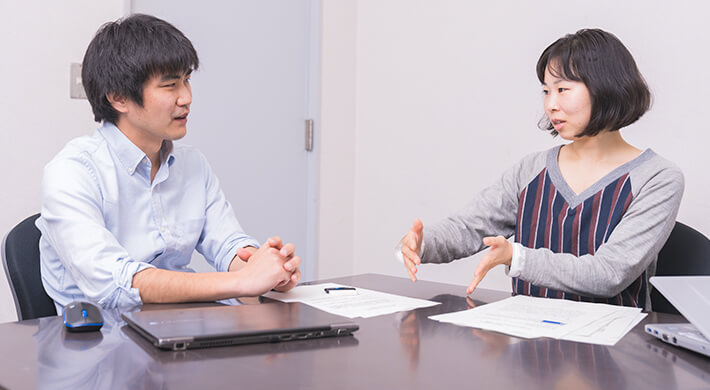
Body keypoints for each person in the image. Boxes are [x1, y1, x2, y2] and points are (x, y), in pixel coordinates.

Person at [398, 29, 684, 310]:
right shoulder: (532, 169)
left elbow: (609, 273)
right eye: (546, 91)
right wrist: (423, 244)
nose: (550, 105)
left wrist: (517, 257)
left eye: (562, 90)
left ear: (606, 88)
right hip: (528, 342)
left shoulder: (657, 178)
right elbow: (470, 227)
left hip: (612, 349)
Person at [36, 14, 301, 311]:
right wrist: (242, 282)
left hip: (182, 332)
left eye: (186, 80)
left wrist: (265, 269)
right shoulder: (72, 171)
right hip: (100, 344)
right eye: (170, 85)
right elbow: (113, 283)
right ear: (119, 97)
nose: (186, 98)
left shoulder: (192, 165)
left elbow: (228, 245)